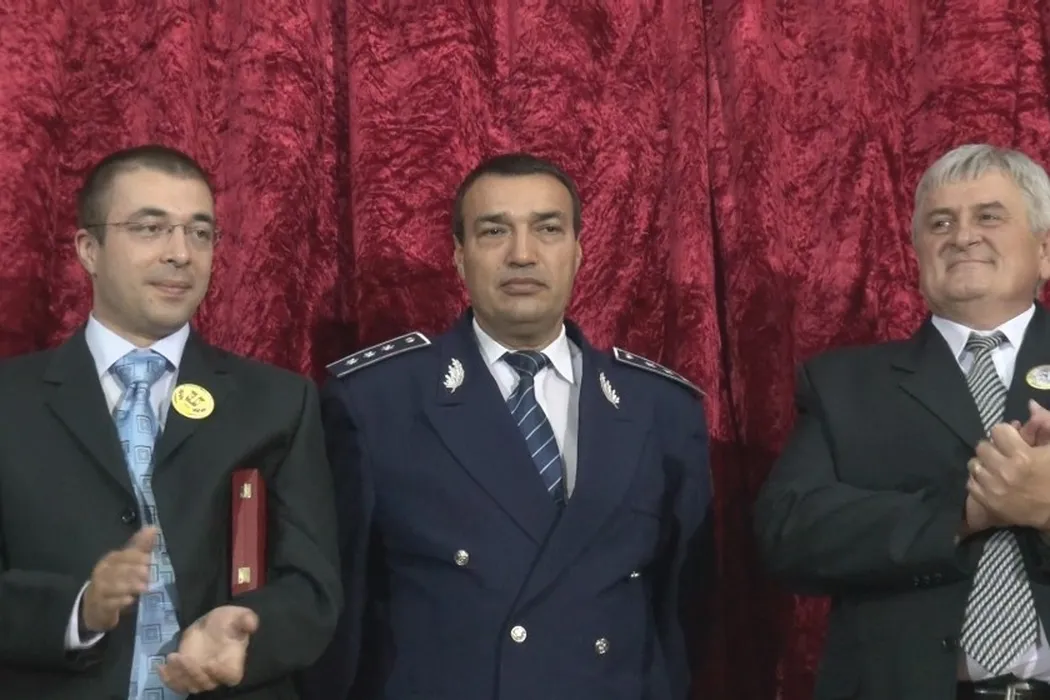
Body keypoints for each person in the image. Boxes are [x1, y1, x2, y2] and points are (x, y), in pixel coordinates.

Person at [301, 153, 714, 700]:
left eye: (547, 229)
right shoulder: (376, 403)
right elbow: (339, 616)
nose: (522, 254)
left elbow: (685, 611)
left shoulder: (661, 407)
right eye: (495, 231)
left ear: (578, 251)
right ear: (459, 256)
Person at [0, 145, 342, 699]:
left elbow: (313, 586)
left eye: (200, 233)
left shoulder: (278, 402)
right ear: (89, 249)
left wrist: (249, 634)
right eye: (150, 228)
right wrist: (79, 610)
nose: (181, 253)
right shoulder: (11, 403)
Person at [754, 143, 1050, 700]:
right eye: (941, 223)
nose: (962, 236)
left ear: (1045, 250)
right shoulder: (844, 385)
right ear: (917, 255)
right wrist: (965, 512)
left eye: (989, 216)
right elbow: (788, 534)